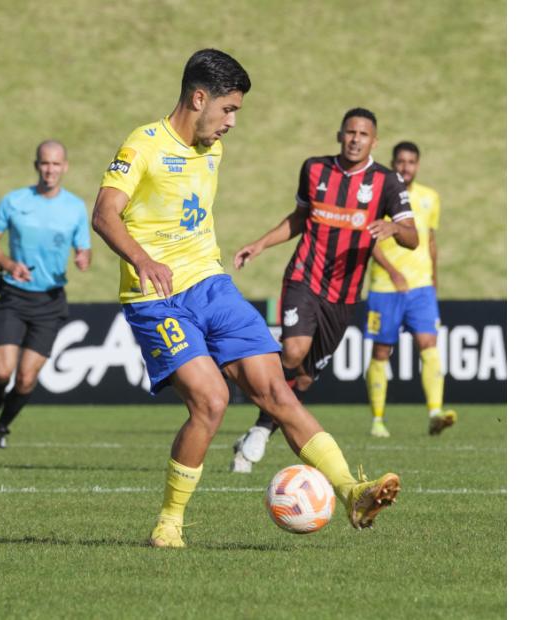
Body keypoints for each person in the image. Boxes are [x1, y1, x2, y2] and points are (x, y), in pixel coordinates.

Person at [91, 49, 403, 548]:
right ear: (199, 97)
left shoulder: (212, 147)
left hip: (212, 286)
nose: (232, 121)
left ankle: (350, 490)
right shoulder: (143, 145)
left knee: (278, 392)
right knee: (210, 401)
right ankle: (169, 523)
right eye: (228, 109)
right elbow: (105, 214)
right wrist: (143, 260)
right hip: (156, 297)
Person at [230, 108, 420, 473]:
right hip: (304, 277)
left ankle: (259, 428)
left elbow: (412, 236)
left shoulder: (387, 182)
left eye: (363, 134)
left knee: (304, 377)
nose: (355, 139)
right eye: (350, 132)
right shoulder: (315, 169)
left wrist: (394, 229)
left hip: (344, 295)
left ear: (374, 142)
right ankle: (256, 419)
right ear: (339, 135)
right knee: (293, 351)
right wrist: (260, 244)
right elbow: (300, 218)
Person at [0, 140, 91, 449]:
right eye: (44, 163)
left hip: (50, 301)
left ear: (65, 167)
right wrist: (9, 264)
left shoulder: (75, 207)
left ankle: (2, 428)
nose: (50, 169)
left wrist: (83, 258)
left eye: (55, 164)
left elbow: (84, 248)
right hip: (14, 295)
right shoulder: (14, 201)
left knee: (25, 379)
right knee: (2, 370)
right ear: (36, 165)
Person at [365, 141, 456, 437]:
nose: (406, 167)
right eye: (401, 161)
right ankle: (378, 420)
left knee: (429, 344)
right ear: (392, 163)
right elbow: (368, 242)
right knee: (381, 351)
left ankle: (435, 413)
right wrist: (393, 273)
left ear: (417, 165)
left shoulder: (431, 198)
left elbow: (429, 242)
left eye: (411, 162)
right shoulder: (378, 195)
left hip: (421, 288)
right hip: (384, 287)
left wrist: (434, 280)